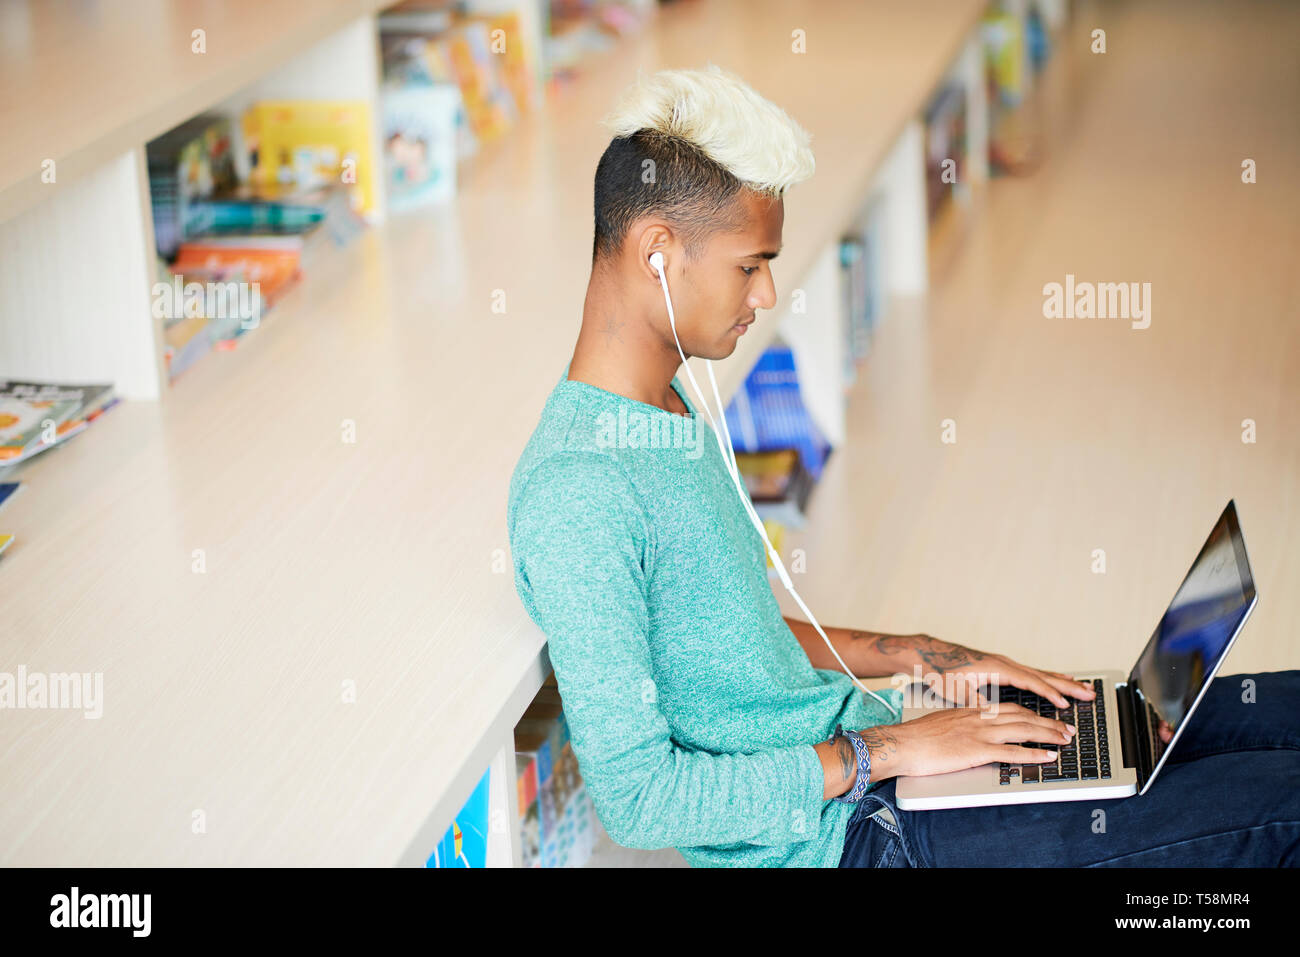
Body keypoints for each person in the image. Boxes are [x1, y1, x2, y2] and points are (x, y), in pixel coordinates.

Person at [505, 65, 1300, 867]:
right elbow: (642, 799)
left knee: (1258, 715)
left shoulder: (666, 406)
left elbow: (728, 645)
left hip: (881, 767)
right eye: (751, 264)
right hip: (863, 838)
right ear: (657, 254)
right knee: (1281, 805)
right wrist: (887, 750)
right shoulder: (580, 490)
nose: (769, 292)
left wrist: (932, 658)